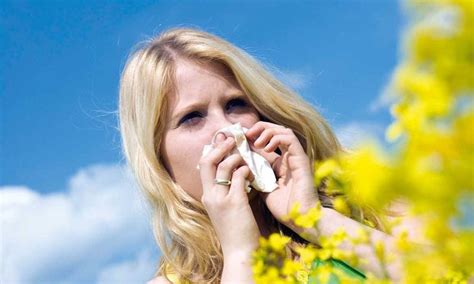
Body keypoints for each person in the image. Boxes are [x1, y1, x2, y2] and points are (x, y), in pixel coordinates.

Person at [118, 27, 404, 283]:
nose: (228, 128)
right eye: (192, 117)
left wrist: (313, 219)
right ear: (158, 159)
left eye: (235, 104)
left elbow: (441, 274)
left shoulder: (366, 195)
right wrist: (240, 253)